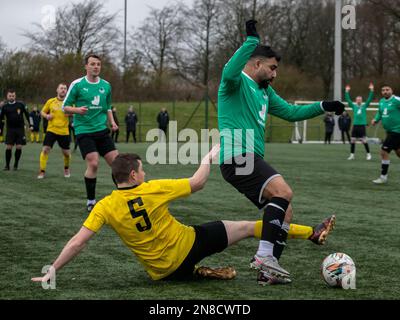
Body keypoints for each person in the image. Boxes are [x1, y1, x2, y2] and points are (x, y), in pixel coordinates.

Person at [31, 148, 336, 286]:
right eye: (143, 168)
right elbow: (198, 182)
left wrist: (53, 270)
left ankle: (197, 273)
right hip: (189, 246)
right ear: (134, 174)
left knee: (192, 253)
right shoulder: (152, 188)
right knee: (247, 226)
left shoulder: (104, 206)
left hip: (161, 273)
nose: (146, 172)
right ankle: (310, 232)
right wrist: (208, 157)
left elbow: (78, 242)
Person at [218, 20, 343, 285]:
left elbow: (290, 112)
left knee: (285, 212)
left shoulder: (265, 92)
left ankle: (268, 273)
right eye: (272, 68)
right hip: (237, 156)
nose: (275, 74)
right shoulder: (236, 82)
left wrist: (323, 105)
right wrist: (251, 40)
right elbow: (229, 71)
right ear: (256, 64)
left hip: (248, 159)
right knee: (283, 192)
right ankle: (264, 257)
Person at [62, 53, 119, 212]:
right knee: (93, 163)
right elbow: (64, 107)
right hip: (84, 130)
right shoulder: (77, 84)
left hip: (101, 130)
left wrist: (112, 122)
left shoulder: (106, 85)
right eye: (92, 64)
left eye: (98, 64)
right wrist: (77, 110)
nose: (96, 67)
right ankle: (91, 200)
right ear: (86, 66)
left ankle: (125, 196)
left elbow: (107, 107)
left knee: (117, 163)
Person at [38, 83, 72, 179]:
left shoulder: (69, 102)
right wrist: (47, 116)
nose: (63, 90)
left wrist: (70, 113)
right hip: (51, 130)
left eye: (65, 89)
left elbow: (75, 112)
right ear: (57, 90)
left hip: (64, 131)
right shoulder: (51, 101)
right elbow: (42, 112)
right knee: (45, 150)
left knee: (66, 153)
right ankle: (42, 171)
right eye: (61, 88)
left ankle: (66, 168)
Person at [371, 85, 400, 184]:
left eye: (387, 90)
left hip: (397, 131)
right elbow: (380, 112)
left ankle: (383, 177)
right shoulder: (382, 101)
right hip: (390, 131)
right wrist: (376, 119)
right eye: (383, 90)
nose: (385, 91)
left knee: (384, 151)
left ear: (392, 90)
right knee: (399, 152)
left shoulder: (397, 100)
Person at [0, 89, 33, 170]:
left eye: (13, 96)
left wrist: (31, 124)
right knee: (9, 147)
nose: (11, 97)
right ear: (7, 96)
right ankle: (7, 166)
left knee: (19, 147)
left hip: (20, 129)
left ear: (15, 96)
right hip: (10, 130)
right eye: (10, 96)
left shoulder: (21, 105)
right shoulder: (4, 107)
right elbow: (1, 119)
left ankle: (15, 165)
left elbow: (28, 115)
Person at [345, 83, 374, 160]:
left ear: (361, 100)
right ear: (356, 100)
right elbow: (348, 100)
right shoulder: (354, 106)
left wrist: (371, 90)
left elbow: (370, 99)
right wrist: (346, 91)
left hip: (362, 126)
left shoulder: (364, 106)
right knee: (353, 141)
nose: (358, 100)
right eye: (357, 99)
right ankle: (352, 155)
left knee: (364, 141)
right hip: (355, 126)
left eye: (360, 99)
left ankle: (368, 154)